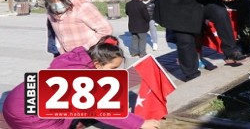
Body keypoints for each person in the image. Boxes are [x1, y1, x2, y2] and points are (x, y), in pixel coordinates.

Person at [2, 35, 160, 129]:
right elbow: (103, 110)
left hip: (14, 105)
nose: (115, 73)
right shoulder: (83, 77)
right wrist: (140, 124)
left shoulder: (76, 62)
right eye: (112, 68)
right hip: (27, 116)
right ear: (98, 64)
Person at [42, 0, 113, 54]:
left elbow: (105, 30)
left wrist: (85, 47)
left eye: (58, 0)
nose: (55, 4)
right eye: (51, 1)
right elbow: (58, 34)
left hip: (90, 54)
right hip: (68, 56)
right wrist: (60, 49)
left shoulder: (82, 7)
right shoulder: (51, 11)